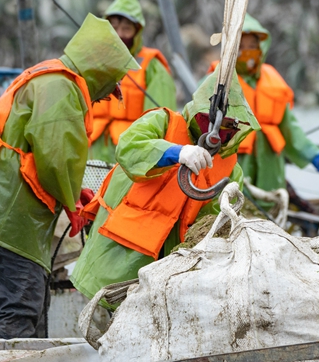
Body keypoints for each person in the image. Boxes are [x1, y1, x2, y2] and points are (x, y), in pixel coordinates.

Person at [0, 14, 139, 339]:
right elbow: (56, 157)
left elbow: (53, 156)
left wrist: (75, 195)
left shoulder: (55, 82)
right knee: (21, 309)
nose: (108, 95)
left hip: (7, 210)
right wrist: (72, 202)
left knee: (33, 302)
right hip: (8, 213)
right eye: (110, 84)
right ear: (100, 71)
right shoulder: (61, 88)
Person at [71, 68, 258, 306]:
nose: (220, 131)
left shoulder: (231, 170)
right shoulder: (162, 122)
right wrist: (176, 152)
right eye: (212, 121)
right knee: (109, 310)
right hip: (119, 252)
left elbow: (215, 225)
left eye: (230, 125)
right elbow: (129, 147)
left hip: (173, 269)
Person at [208, 14, 319, 196]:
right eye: (240, 46)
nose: (247, 51)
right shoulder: (217, 79)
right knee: (235, 201)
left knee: (272, 206)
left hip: (271, 164)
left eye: (252, 46)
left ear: (261, 48)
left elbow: (290, 128)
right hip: (235, 160)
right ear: (230, 47)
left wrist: (314, 155)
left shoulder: (273, 79)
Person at [89, 0, 177, 164]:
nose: (119, 34)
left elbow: (161, 120)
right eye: (114, 27)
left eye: (126, 29)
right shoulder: (92, 61)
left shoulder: (153, 66)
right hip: (92, 151)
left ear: (137, 32)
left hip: (129, 156)